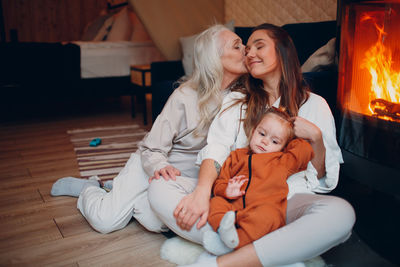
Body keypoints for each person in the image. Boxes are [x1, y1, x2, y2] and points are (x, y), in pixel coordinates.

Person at [149, 23, 356, 267]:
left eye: (259, 46)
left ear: (283, 51)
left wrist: (317, 140)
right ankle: (277, 251)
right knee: (160, 189)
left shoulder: (315, 104)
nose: (250, 54)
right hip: (233, 201)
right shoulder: (238, 101)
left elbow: (320, 178)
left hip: (283, 203)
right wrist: (202, 193)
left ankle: (222, 261)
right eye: (247, 50)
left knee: (341, 215)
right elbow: (217, 148)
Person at [50, 24, 248, 235]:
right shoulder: (185, 97)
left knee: (158, 223)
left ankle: (116, 190)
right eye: (237, 46)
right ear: (215, 59)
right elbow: (152, 148)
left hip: (186, 181)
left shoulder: (243, 98)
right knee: (105, 221)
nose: (246, 49)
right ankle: (91, 188)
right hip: (154, 165)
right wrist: (159, 167)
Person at [204, 107, 314, 255]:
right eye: (262, 133)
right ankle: (223, 230)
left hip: (260, 209)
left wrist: (294, 132)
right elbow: (219, 182)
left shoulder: (282, 161)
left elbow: (305, 150)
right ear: (253, 131)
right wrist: (226, 190)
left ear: (283, 147)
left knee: (270, 216)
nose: (265, 141)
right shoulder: (236, 156)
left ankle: (234, 243)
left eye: (275, 141)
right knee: (215, 202)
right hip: (232, 206)